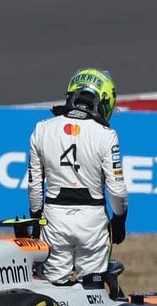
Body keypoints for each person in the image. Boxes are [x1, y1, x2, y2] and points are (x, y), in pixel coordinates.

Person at [27, 68, 128, 287]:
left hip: (54, 218)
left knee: (52, 290)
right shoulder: (106, 135)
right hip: (92, 220)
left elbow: (34, 186)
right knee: (93, 293)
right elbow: (117, 190)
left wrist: (36, 221)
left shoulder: (42, 129)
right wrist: (119, 221)